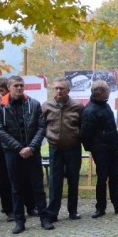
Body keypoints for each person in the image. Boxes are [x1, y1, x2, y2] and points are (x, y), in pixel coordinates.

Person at [0, 76, 54, 233]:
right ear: (9, 87)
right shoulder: (0, 107)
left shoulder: (33, 104)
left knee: (38, 186)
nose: (20, 88)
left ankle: (44, 218)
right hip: (12, 153)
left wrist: (31, 147)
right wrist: (18, 148)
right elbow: (0, 129)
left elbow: (41, 127)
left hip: (32, 152)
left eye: (22, 85)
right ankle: (19, 221)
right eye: (16, 85)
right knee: (16, 188)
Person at [79, 80, 118, 218]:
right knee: (102, 178)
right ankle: (100, 207)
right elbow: (85, 134)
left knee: (114, 177)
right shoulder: (90, 110)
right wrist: (93, 148)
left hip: (112, 148)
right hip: (100, 151)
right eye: (107, 90)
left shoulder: (104, 105)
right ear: (100, 92)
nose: (109, 92)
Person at [42, 77, 83, 221]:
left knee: (73, 179)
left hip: (73, 148)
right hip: (55, 148)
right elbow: (42, 126)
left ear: (68, 90)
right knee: (55, 180)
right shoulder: (46, 106)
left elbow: (82, 126)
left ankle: (73, 211)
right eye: (56, 88)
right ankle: (53, 212)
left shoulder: (77, 106)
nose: (59, 91)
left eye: (62, 88)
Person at [0, 78, 13, 220]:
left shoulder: (7, 105)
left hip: (3, 147)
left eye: (0, 91)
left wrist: (2, 101)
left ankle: (9, 209)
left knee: (5, 180)